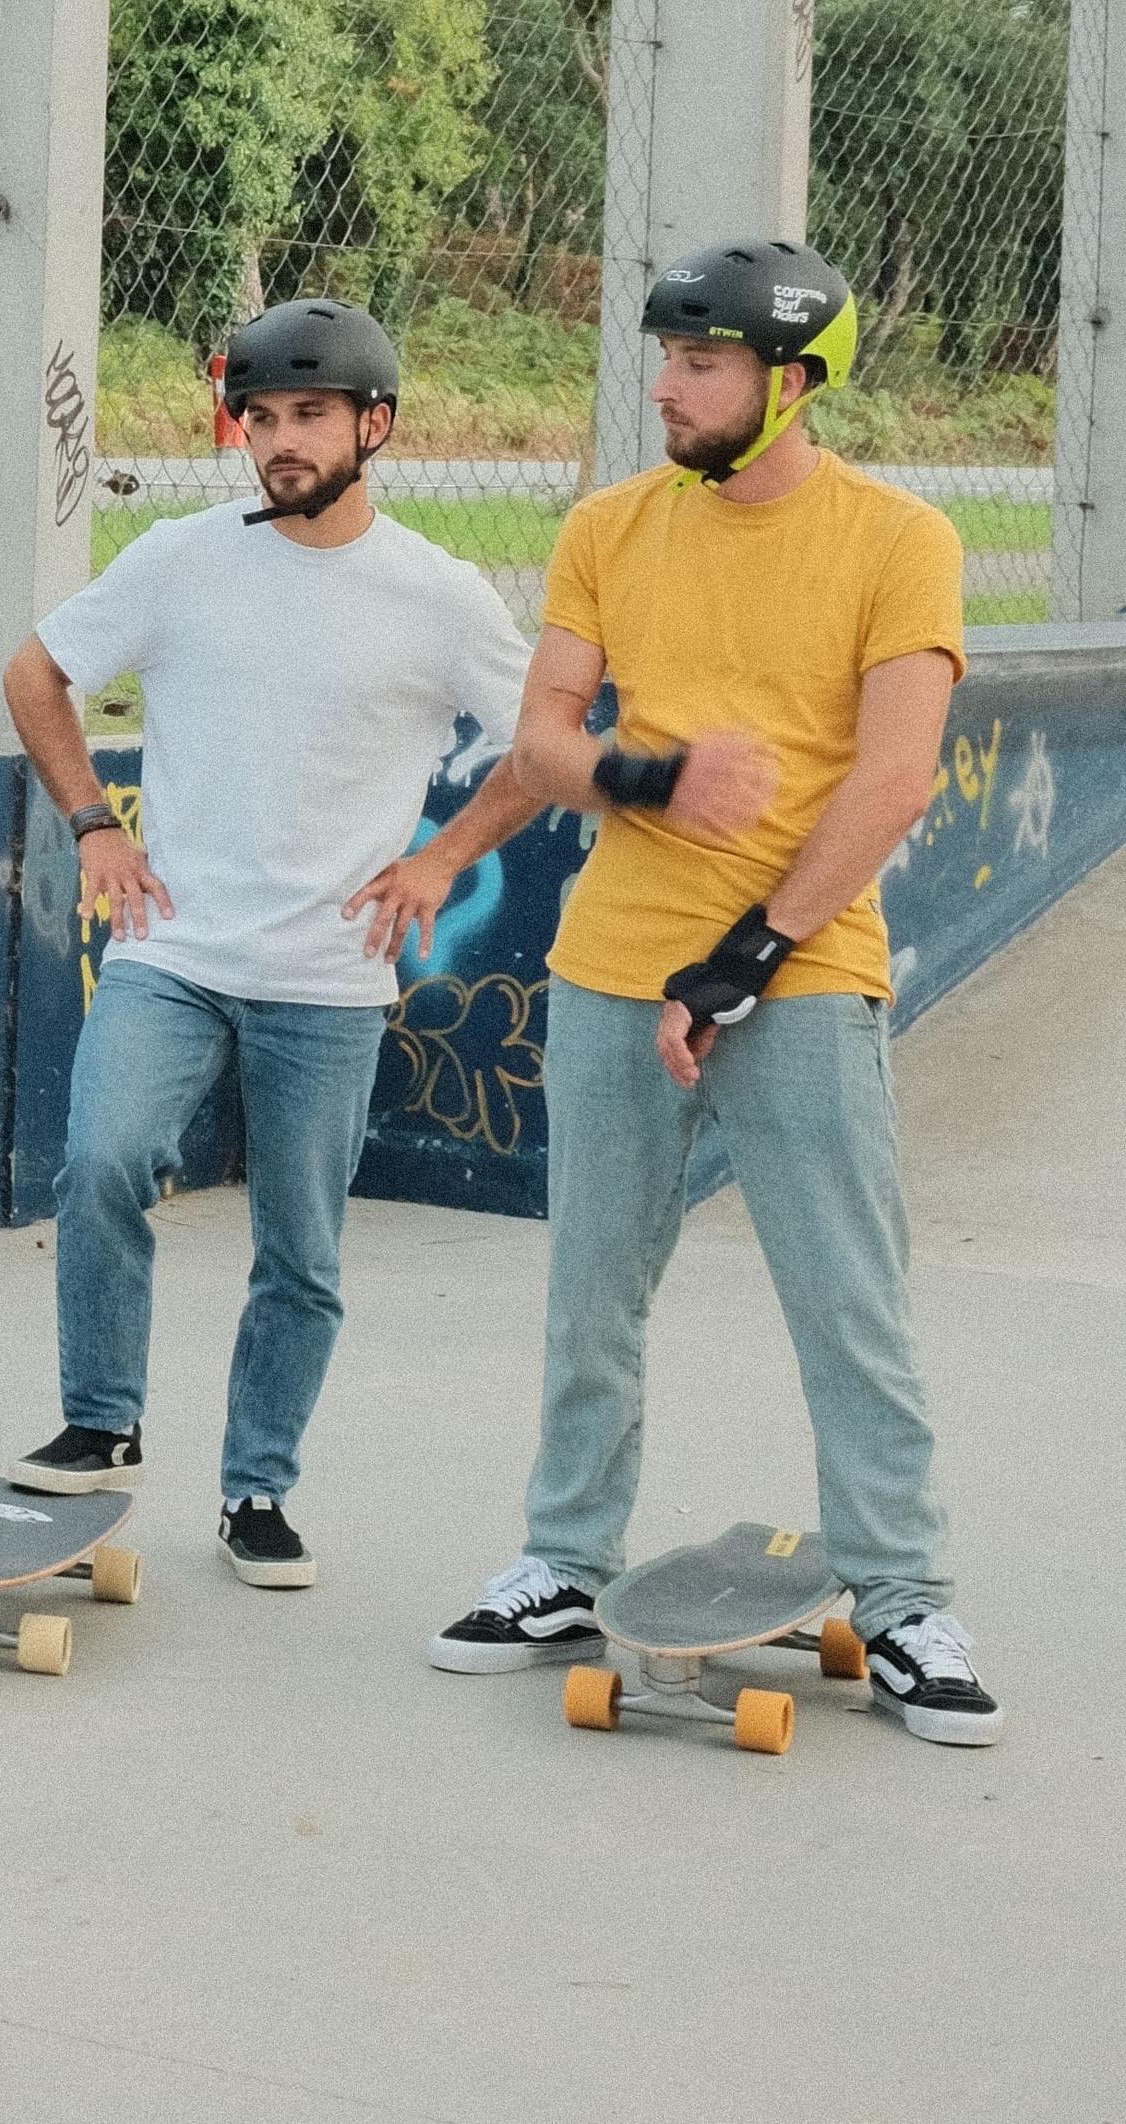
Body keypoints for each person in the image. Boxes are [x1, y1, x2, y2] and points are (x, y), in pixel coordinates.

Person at [424, 239, 1001, 1747]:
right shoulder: (613, 526)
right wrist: (652, 775)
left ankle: (900, 1596)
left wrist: (748, 956)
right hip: (609, 966)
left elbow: (892, 780)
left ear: (792, 382)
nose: (667, 389)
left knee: (847, 1301)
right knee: (591, 1292)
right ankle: (563, 1557)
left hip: (801, 972)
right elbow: (547, 737)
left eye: (702, 364)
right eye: (665, 358)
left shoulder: (899, 540)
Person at [0, 299, 543, 1587]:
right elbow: (36, 674)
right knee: (105, 1161)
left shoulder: (435, 594)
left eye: (310, 416)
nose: (280, 441)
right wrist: (92, 824)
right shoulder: (183, 557)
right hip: (172, 947)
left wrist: (441, 858)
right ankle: (101, 1420)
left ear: (376, 426)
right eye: (263, 417)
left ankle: (257, 1491)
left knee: (300, 1247)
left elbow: (544, 746)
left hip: (327, 976)